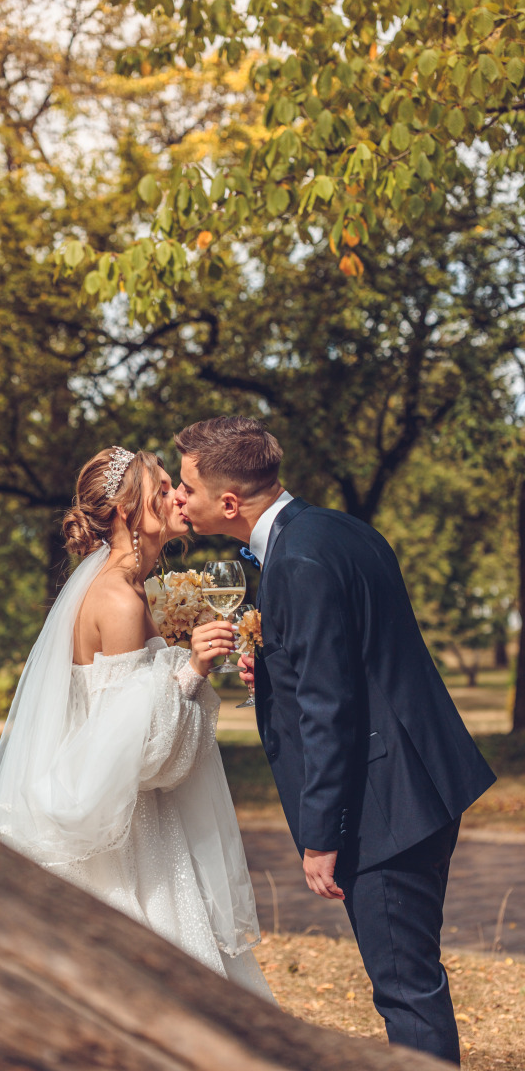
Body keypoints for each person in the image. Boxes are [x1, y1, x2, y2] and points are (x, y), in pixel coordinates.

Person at [173, 415, 496, 1064]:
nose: (178, 499)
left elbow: (330, 708)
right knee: (414, 979)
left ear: (228, 502)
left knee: (405, 990)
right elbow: (353, 659)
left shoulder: (297, 559)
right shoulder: (336, 529)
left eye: (186, 488)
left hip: (387, 806)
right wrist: (270, 666)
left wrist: (321, 836)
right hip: (425, 781)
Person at [0, 446, 273, 999]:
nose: (178, 496)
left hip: (136, 818)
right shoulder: (118, 600)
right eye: (161, 489)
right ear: (123, 510)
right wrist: (192, 670)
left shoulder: (130, 586)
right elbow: (137, 753)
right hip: (132, 835)